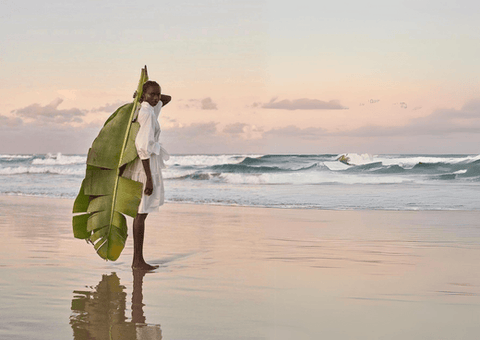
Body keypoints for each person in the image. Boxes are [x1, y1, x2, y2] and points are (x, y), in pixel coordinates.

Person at [123, 80, 171, 270]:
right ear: (144, 95)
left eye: (157, 94)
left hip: (143, 164)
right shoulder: (147, 114)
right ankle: (137, 261)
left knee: (140, 214)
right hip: (145, 166)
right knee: (141, 214)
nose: (157, 98)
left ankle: (138, 260)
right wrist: (149, 178)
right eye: (152, 94)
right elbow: (142, 147)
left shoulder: (145, 109)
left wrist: (146, 96)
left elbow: (167, 99)